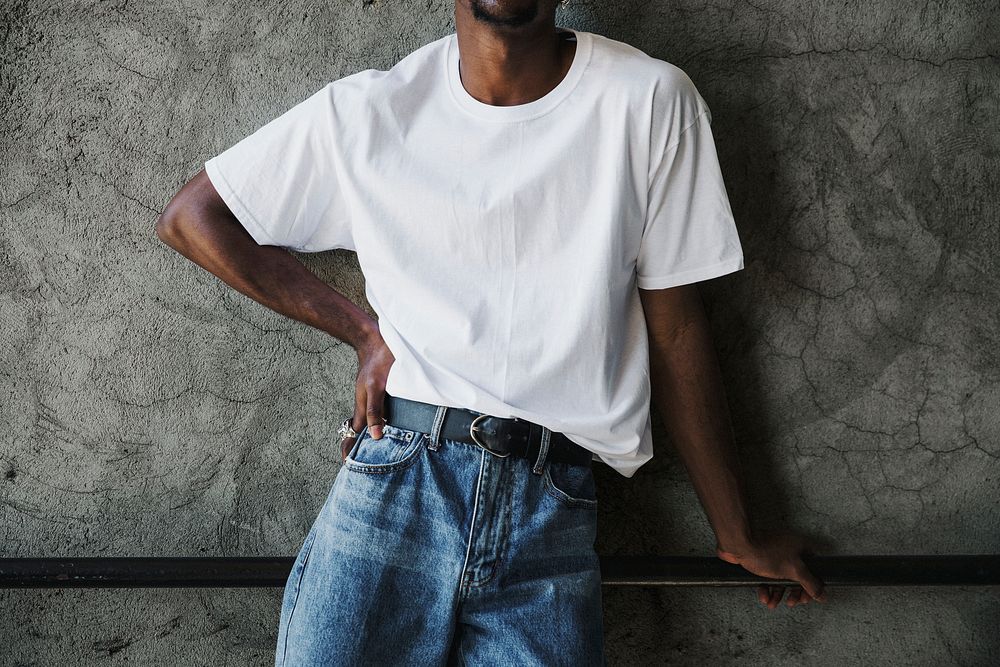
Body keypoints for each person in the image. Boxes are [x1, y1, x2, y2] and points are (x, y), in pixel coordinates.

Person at [156, 1, 826, 664]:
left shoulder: (648, 100)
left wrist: (735, 528)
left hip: (552, 506)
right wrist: (361, 331)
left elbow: (677, 329)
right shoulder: (369, 113)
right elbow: (193, 217)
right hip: (396, 485)